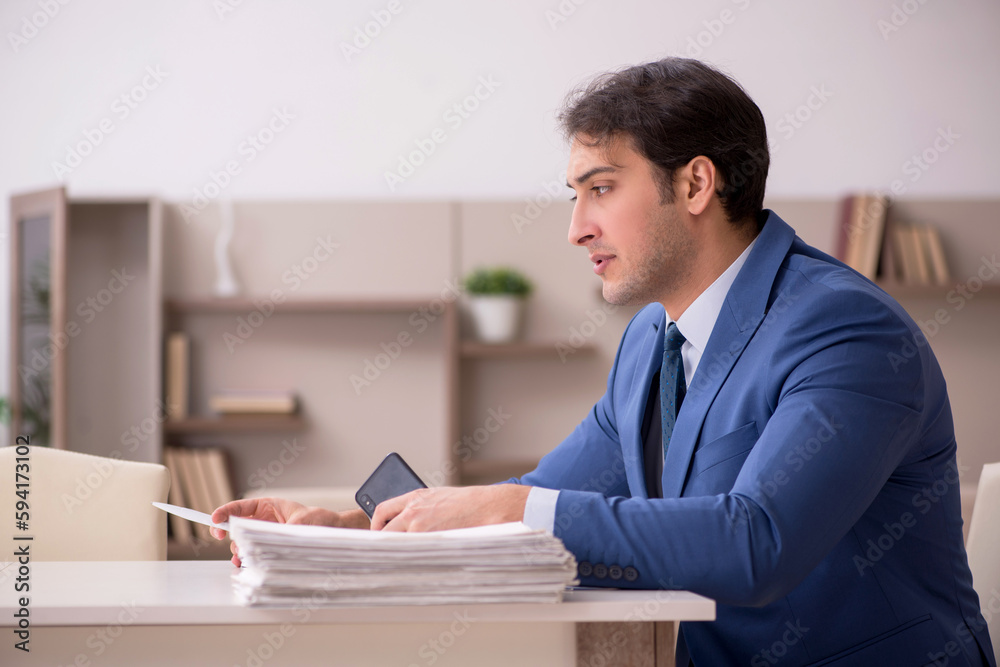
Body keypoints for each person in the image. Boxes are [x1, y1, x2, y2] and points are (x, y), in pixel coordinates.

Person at [213, 57, 995, 665]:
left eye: (600, 188)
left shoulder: (843, 330)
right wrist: (345, 532)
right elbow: (548, 495)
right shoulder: (651, 342)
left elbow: (756, 544)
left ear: (695, 183)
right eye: (573, 193)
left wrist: (510, 509)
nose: (576, 227)